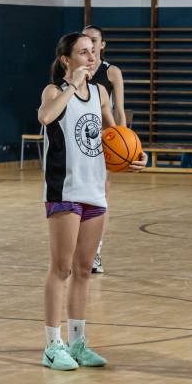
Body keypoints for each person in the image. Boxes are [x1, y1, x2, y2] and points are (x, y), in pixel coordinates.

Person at [37, 32, 143, 371]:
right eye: (84, 53)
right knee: (61, 269)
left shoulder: (100, 92)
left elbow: (115, 137)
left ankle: (78, 342)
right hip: (64, 190)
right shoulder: (54, 91)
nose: (91, 57)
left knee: (83, 270)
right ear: (67, 59)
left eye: (93, 51)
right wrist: (70, 86)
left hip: (95, 190)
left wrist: (133, 157)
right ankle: (53, 345)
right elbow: (45, 117)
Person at [82, 24, 126, 273]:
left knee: (100, 196)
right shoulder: (73, 72)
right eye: (85, 39)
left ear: (102, 44)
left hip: (104, 142)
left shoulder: (111, 73)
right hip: (79, 142)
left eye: (94, 39)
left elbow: (119, 111)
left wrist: (124, 141)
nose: (90, 43)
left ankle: (94, 252)